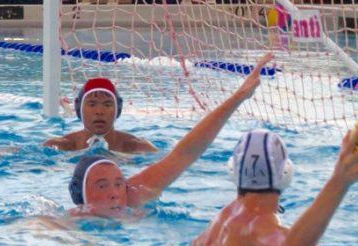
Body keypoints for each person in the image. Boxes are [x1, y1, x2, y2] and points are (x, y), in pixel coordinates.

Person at [66, 53, 272, 218]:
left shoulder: (132, 196)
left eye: (120, 184)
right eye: (102, 186)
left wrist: (239, 96)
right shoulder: (65, 225)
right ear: (80, 196)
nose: (115, 194)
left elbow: (184, 154)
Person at [187, 128, 358, 246]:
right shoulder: (255, 222)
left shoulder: (223, 218)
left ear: (233, 171)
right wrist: (339, 181)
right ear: (286, 173)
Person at [45, 77, 156, 154]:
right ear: (79, 108)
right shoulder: (59, 146)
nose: (99, 111)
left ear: (118, 109)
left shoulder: (139, 148)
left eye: (107, 104)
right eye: (92, 104)